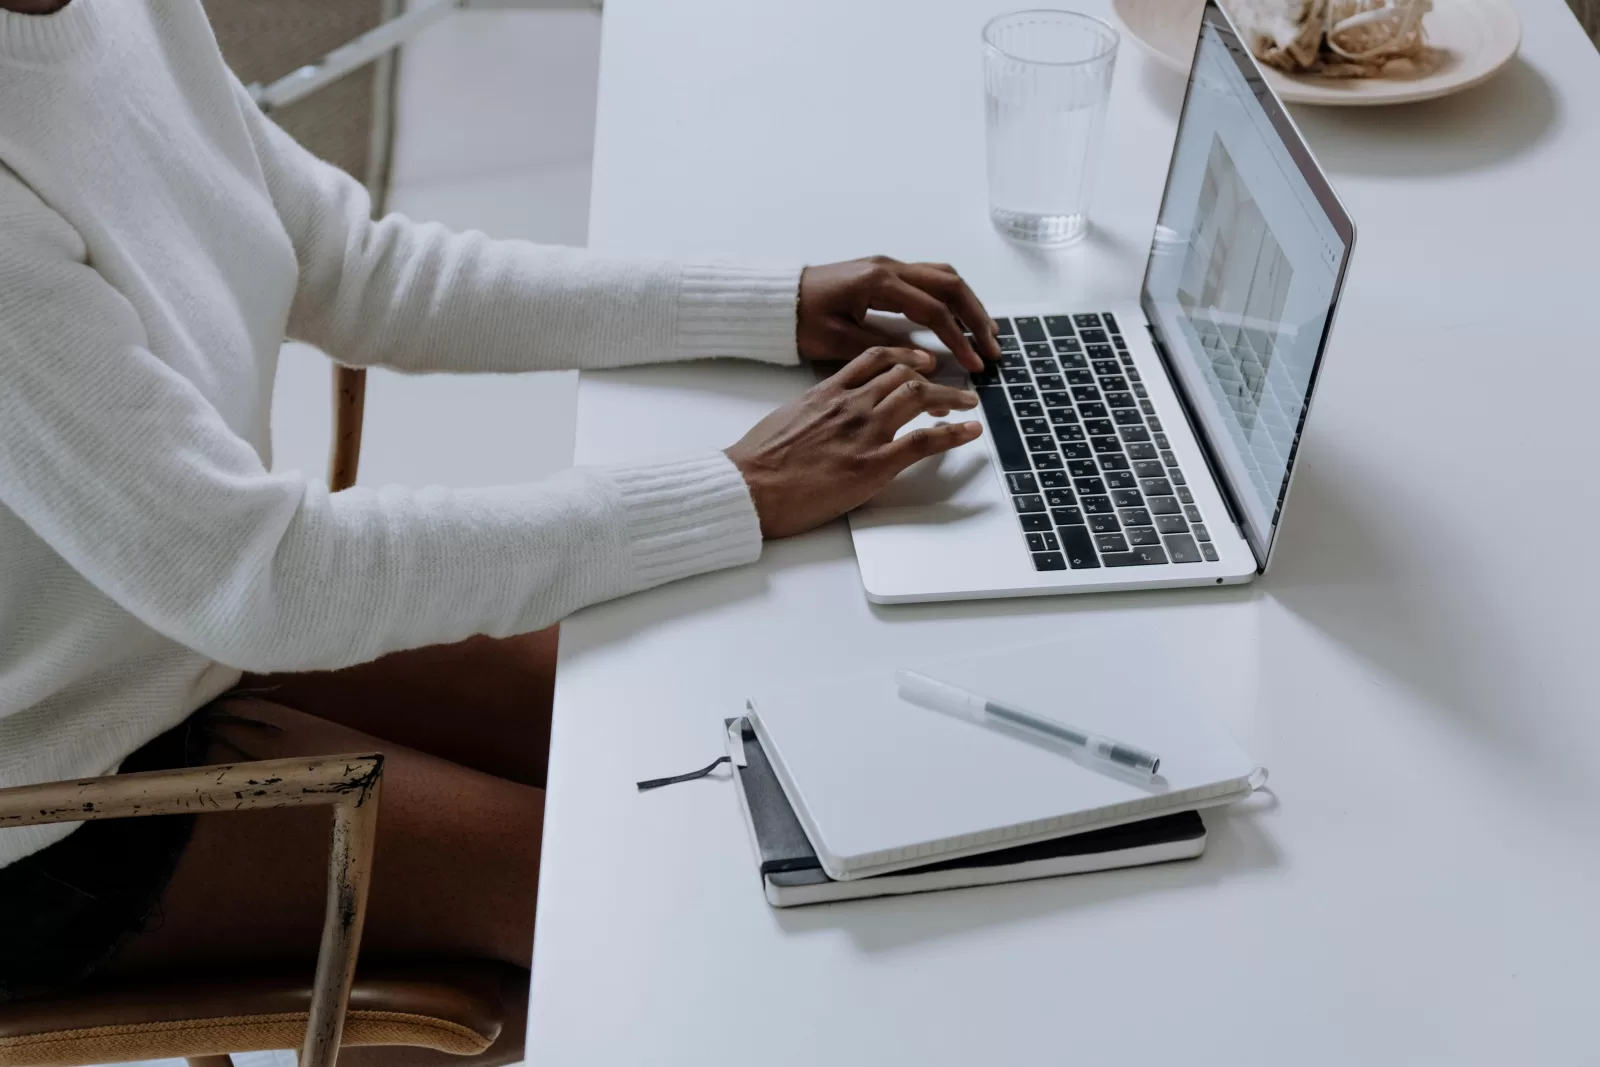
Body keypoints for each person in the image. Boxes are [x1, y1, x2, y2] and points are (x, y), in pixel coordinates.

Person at [0, 0, 998, 1052]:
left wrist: (766, 304)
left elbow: (354, 265)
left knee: (670, 725)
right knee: (633, 911)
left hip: (180, 630)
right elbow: (271, 579)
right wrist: (736, 488)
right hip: (49, 811)